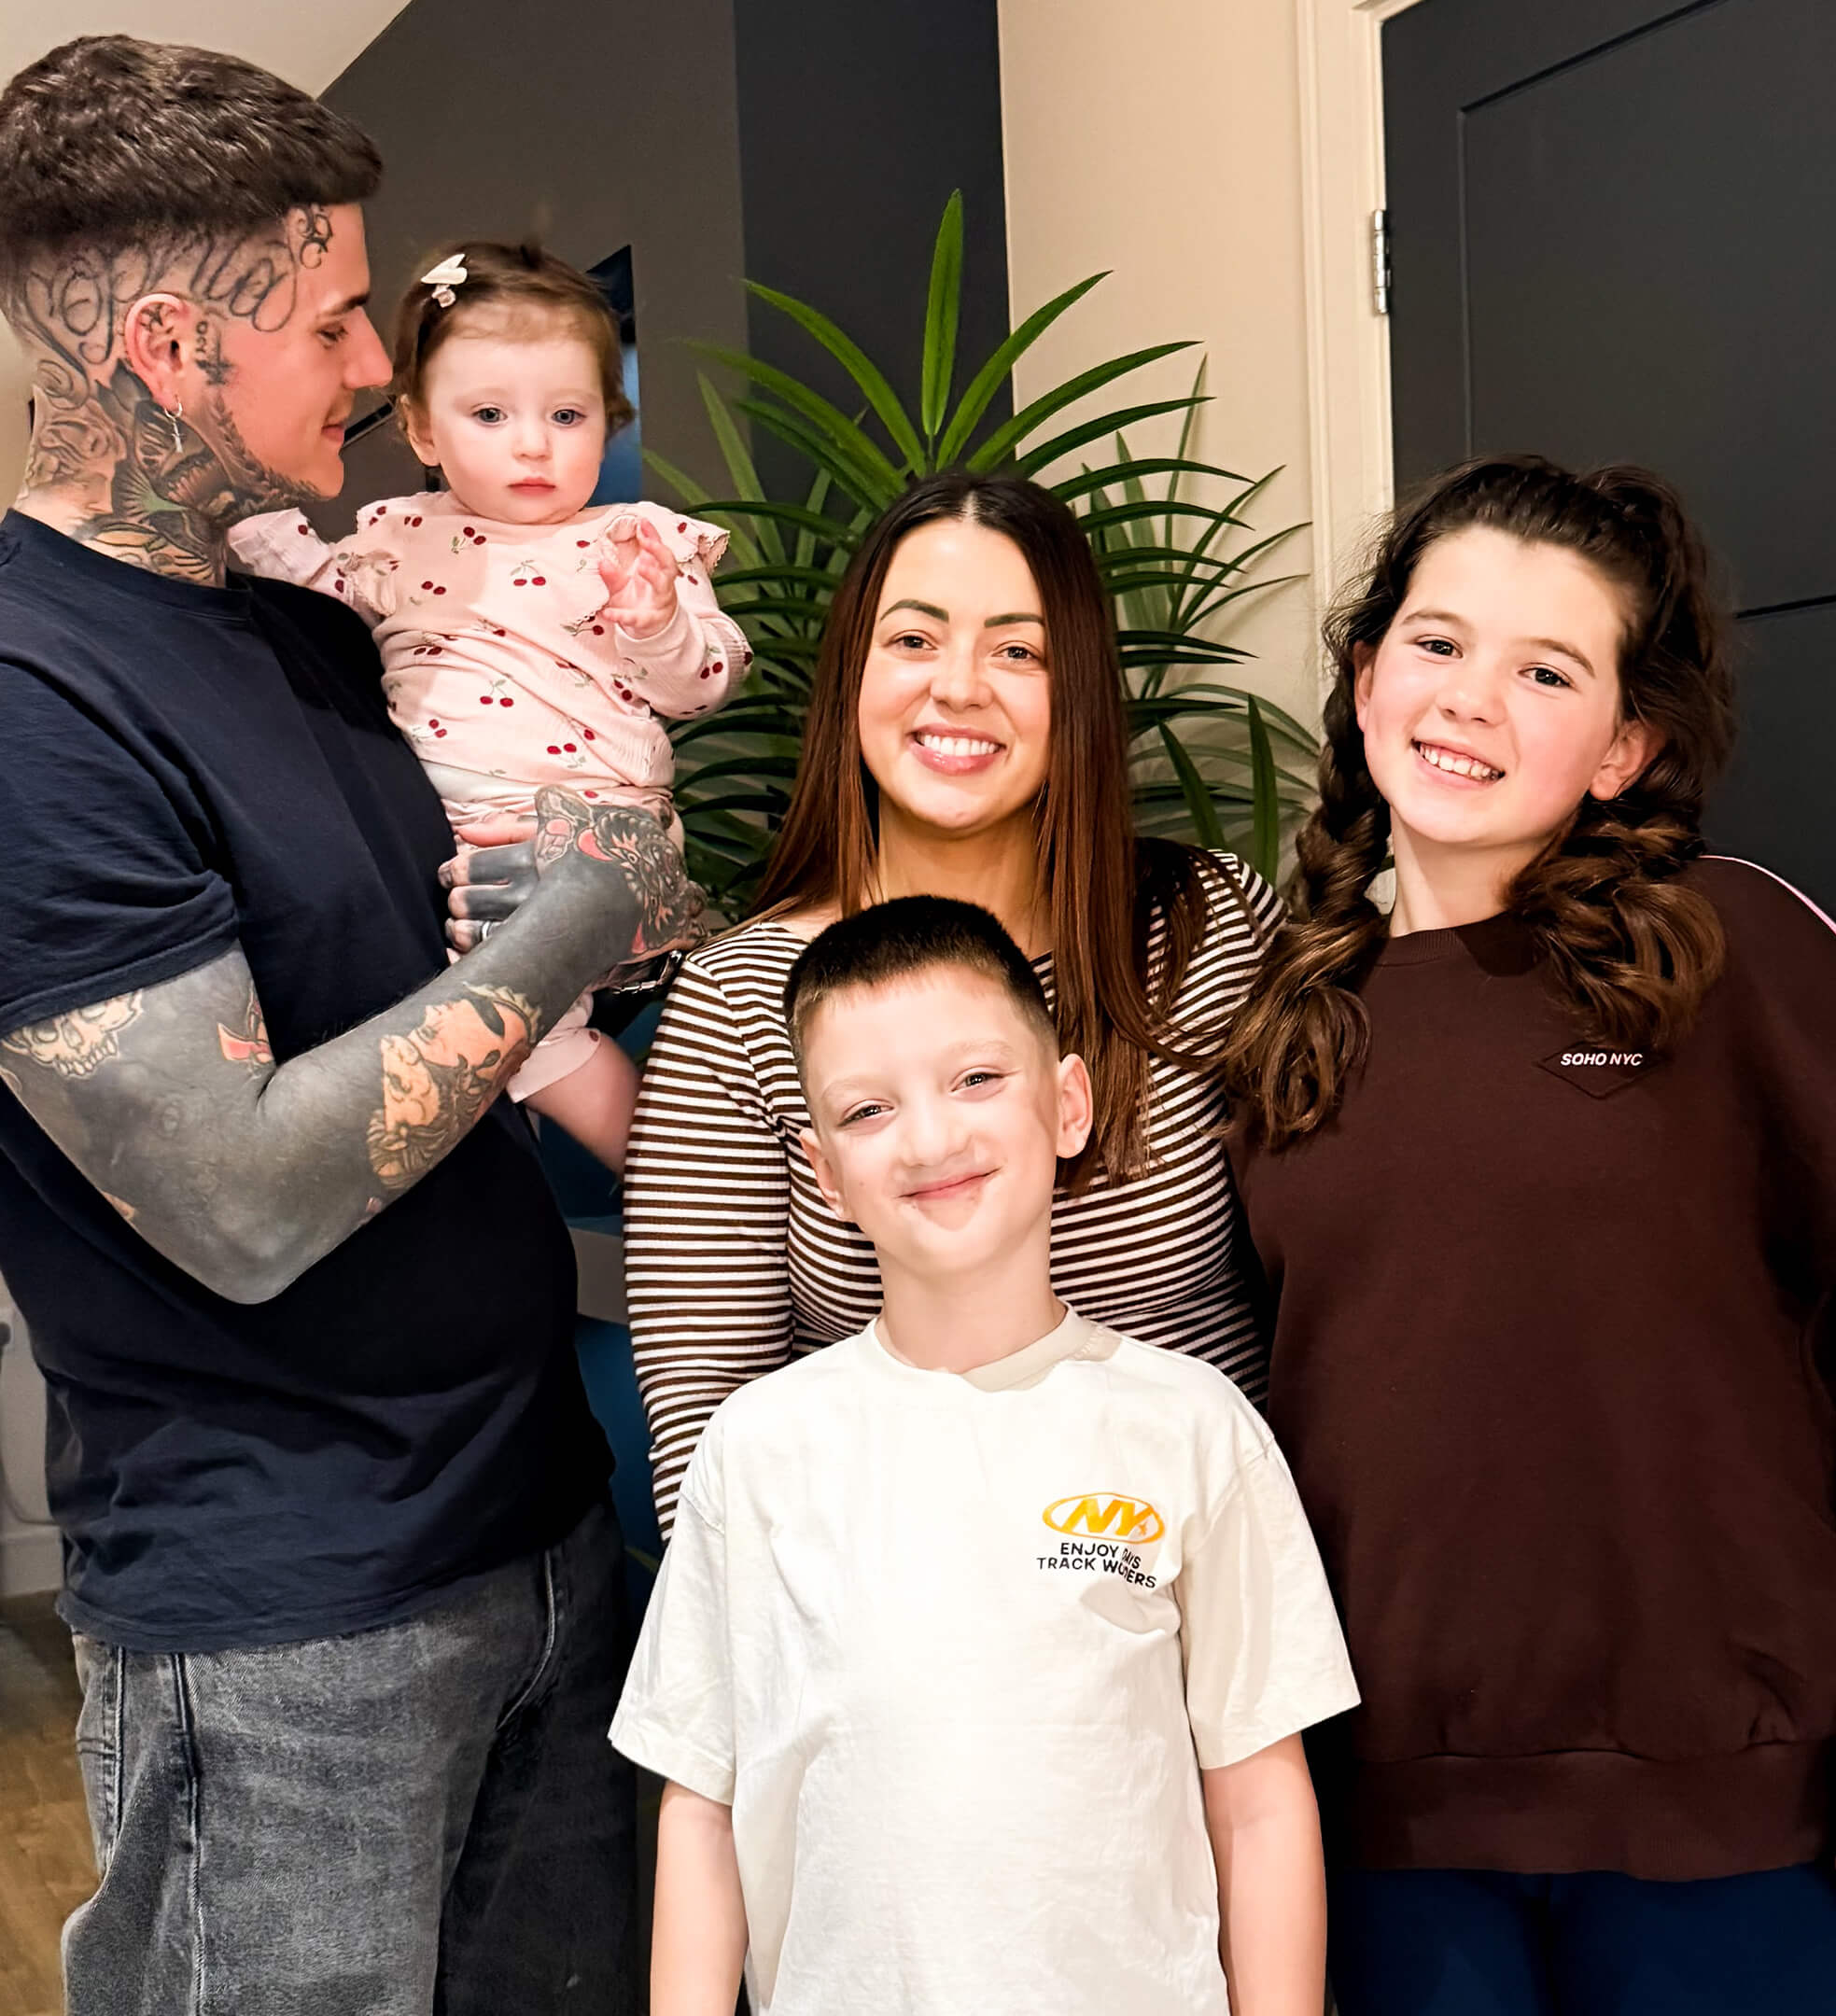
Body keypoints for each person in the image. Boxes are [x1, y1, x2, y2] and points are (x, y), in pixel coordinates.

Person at [0, 37, 703, 2014]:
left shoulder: (320, 631)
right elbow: (234, 1198)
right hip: (293, 1625)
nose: (379, 370)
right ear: (162, 343)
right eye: (327, 323)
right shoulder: (32, 695)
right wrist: (577, 923)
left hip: (537, 1524)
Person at [1221, 455, 1836, 2016]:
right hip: (1381, 1832)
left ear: (1623, 747)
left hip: (1734, 1830)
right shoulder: (1287, 1016)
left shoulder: (1725, 948)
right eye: (1437, 641)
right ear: (1363, 680)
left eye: (1545, 669)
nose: (1471, 697)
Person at [611, 895, 1360, 2014]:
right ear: (822, 1171)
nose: (930, 1138)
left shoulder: (1192, 1429)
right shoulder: (761, 1447)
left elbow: (1258, 1802)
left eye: (975, 1080)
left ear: (1067, 1104)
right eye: (867, 1109)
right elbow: (704, 1803)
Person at [625, 470, 1281, 1533]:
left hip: (1201, 1593)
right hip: (897, 1616)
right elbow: (708, 1439)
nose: (960, 688)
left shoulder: (1207, 925)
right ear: (853, 675)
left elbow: (1343, 1287)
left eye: (1017, 650)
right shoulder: (743, 1001)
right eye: (915, 640)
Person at [232, 239, 750, 1171]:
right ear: (423, 432)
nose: (532, 443)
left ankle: (680, 1181)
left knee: (518, 1031)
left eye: (566, 413)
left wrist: (659, 620)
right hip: (463, 862)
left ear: (609, 419)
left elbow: (707, 681)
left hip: (592, 845)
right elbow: (325, 607)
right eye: (489, 413)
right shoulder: (398, 539)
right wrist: (257, 528)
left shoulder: (632, 542)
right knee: (472, 1034)